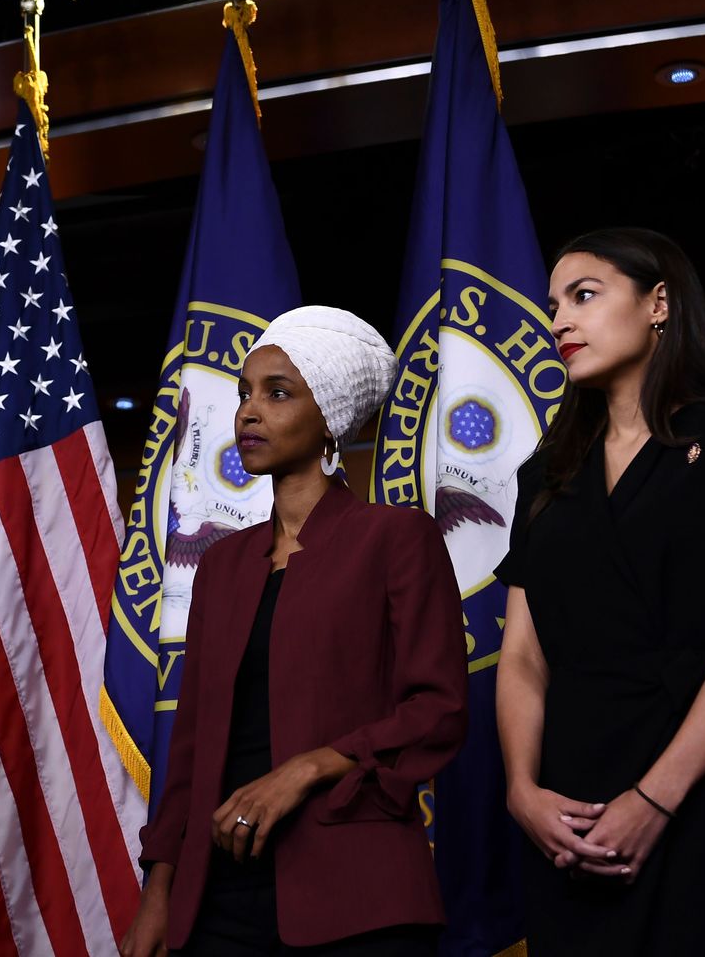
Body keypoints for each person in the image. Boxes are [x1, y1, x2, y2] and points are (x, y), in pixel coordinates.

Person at [494, 228, 705, 955]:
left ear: (659, 304)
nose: (559, 323)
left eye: (583, 296)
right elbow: (521, 656)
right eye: (553, 306)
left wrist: (655, 798)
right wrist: (521, 791)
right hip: (567, 811)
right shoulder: (543, 476)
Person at [122, 305, 469, 957]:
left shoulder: (395, 537)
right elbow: (191, 745)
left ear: (332, 416)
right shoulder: (223, 563)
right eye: (245, 394)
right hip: (218, 898)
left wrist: (306, 769)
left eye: (277, 393)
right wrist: (159, 892)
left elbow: (439, 710)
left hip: (358, 899)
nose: (248, 412)